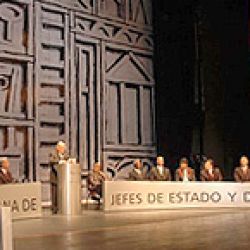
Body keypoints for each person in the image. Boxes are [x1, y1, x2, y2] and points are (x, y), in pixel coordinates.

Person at [49, 141, 69, 213]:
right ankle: (54, 209)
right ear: (58, 148)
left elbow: (68, 160)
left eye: (64, 148)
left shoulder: (65, 155)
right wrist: (60, 161)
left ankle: (61, 208)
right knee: (54, 194)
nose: (64, 149)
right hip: (55, 178)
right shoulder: (53, 154)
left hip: (63, 178)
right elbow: (52, 161)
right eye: (62, 148)